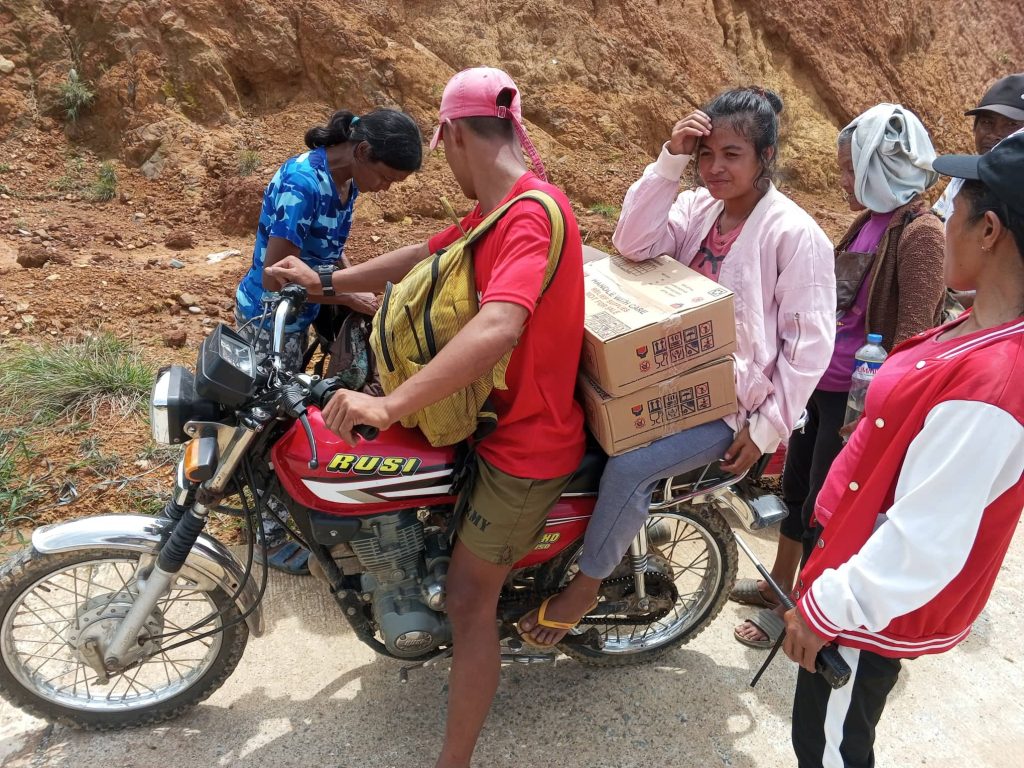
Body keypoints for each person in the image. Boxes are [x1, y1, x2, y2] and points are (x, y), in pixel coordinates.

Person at [265, 67, 585, 768]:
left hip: (526, 441)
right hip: (483, 419)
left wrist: (389, 404)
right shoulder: (494, 210)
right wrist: (326, 281)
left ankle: (454, 761)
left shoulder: (532, 212)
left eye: (443, 148)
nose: (444, 161)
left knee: (471, 602)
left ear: (457, 135)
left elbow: (500, 324)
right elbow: (422, 256)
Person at [519, 87, 836, 647]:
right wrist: (669, 159)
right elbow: (632, 242)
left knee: (631, 467)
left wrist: (764, 430)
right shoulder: (696, 209)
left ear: (765, 156)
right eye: (705, 154)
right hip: (655, 378)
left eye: (731, 154)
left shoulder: (793, 234)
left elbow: (808, 347)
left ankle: (585, 588)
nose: (714, 168)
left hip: (726, 406)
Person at [783, 130, 1024, 768]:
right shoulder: (979, 329)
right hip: (852, 564)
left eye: (954, 210)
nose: (943, 225)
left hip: (867, 610)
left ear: (990, 230)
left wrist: (827, 609)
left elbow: (925, 538)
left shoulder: (993, 383)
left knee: (829, 748)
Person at [732, 104, 946, 648]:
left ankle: (806, 612)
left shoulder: (922, 234)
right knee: (797, 485)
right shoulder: (869, 222)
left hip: (856, 402)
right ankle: (781, 583)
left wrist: (878, 412)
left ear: (882, 166)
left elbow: (914, 335)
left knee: (825, 504)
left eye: (852, 169)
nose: (844, 180)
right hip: (820, 386)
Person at [234, 108, 422, 574]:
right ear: (361, 151)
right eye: (386, 177)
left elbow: (327, 251)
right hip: (270, 320)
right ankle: (267, 534)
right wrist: (342, 289)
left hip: (304, 311)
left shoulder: (345, 183)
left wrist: (349, 290)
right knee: (266, 425)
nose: (385, 188)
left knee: (291, 415)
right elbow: (279, 275)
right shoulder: (302, 184)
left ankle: (289, 507)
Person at [933, 72, 1024, 311]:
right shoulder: (962, 179)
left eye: (1011, 125)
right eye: (986, 122)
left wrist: (958, 305)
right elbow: (935, 229)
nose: (994, 133)